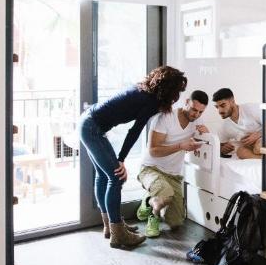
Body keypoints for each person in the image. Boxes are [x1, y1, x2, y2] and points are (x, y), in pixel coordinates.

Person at [79, 65, 187, 249]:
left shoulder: (143, 89)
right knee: (116, 177)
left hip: (88, 123)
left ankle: (111, 226)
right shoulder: (150, 101)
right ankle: (118, 234)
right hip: (92, 128)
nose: (177, 96)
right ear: (169, 89)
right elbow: (135, 131)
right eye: (177, 91)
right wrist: (121, 159)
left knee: (103, 176)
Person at [135, 90, 209, 238]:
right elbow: (154, 150)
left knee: (176, 221)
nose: (196, 115)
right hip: (151, 169)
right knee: (164, 194)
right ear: (186, 102)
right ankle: (153, 216)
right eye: (194, 110)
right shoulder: (166, 118)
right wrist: (181, 146)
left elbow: (203, 142)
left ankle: (148, 200)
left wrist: (206, 135)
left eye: (201, 112)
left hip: (173, 175)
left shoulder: (197, 121)